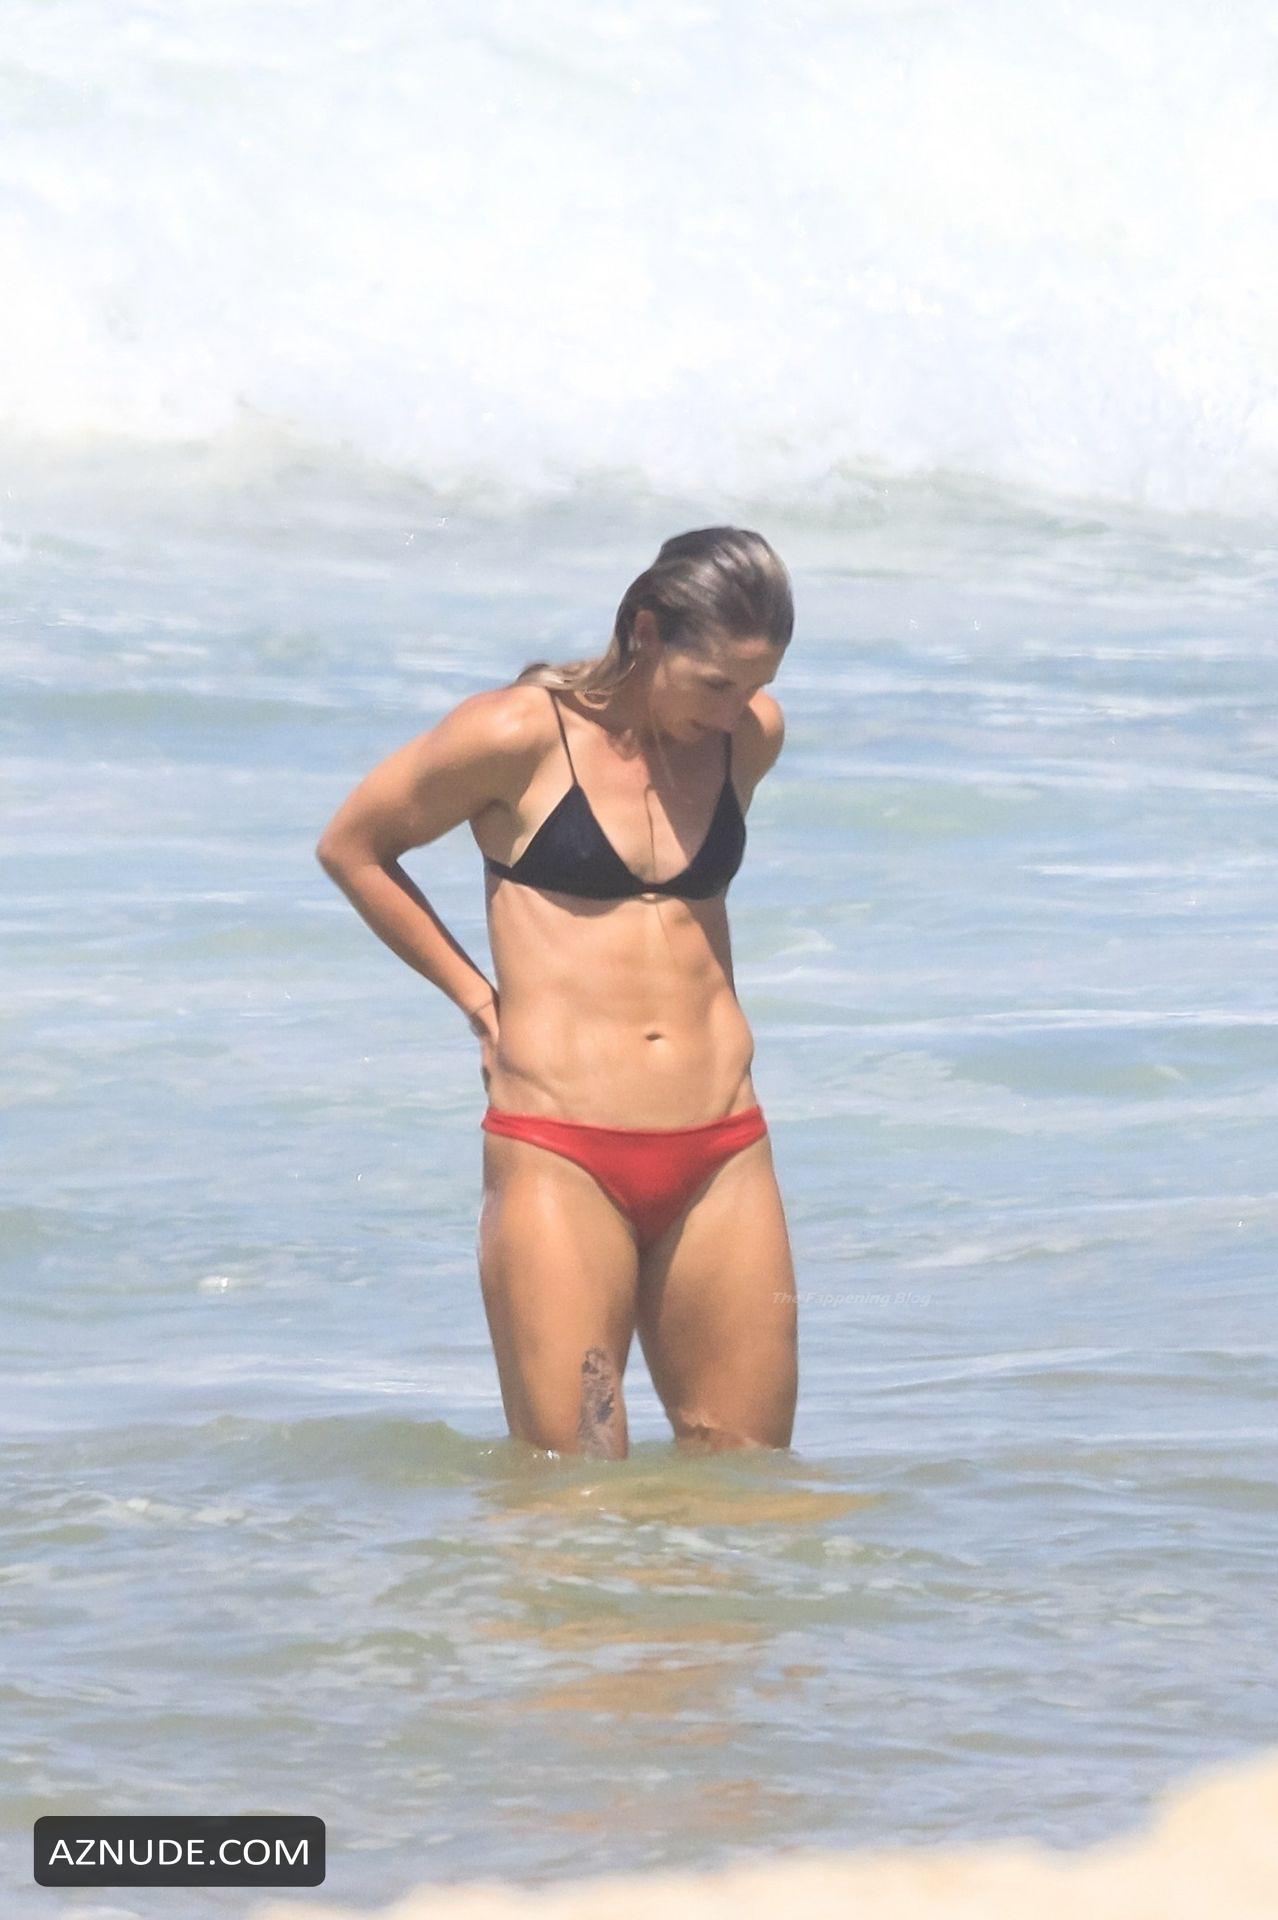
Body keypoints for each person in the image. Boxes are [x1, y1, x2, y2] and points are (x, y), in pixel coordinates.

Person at [316, 526, 798, 1460]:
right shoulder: (517, 734)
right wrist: (479, 1003)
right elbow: (354, 848)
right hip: (561, 1151)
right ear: (647, 633)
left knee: (750, 1487)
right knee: (572, 1494)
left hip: (724, 1148)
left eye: (757, 685)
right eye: (715, 684)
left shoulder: (747, 738)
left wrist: (731, 706)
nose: (737, 709)